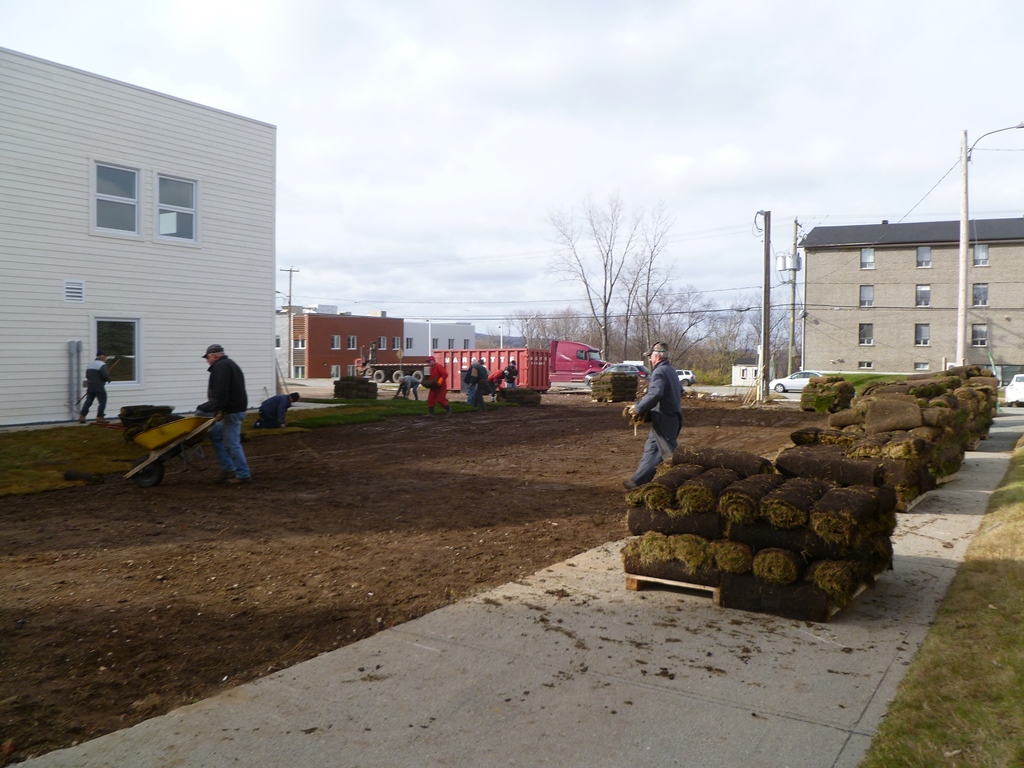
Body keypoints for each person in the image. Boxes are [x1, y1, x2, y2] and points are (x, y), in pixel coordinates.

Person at [624, 342, 683, 490]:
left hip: (665, 419)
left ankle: (682, 482)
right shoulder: (671, 370)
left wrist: (638, 408)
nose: (649, 360)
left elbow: (655, 393)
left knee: (669, 455)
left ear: (656, 356)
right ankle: (638, 481)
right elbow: (679, 391)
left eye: (650, 356)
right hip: (670, 418)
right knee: (651, 450)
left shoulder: (659, 372)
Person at [197, 344, 251, 484]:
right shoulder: (229, 364)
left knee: (232, 444)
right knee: (219, 437)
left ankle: (243, 474)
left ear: (214, 356)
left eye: (207, 358)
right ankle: (228, 469)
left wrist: (218, 410)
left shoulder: (221, 367)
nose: (207, 361)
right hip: (235, 408)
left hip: (231, 410)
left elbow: (221, 391)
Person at [79, 350, 111, 424]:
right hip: (99, 386)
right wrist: (108, 379)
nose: (106, 358)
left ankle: (82, 416)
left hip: (90, 386)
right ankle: (100, 417)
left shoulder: (90, 364)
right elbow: (105, 375)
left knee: (88, 402)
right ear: (101, 356)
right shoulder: (102, 365)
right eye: (105, 356)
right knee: (102, 401)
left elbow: (87, 375)